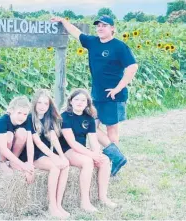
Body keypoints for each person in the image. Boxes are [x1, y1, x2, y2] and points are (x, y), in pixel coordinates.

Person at [50, 15, 137, 175]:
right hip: (96, 95)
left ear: (112, 29)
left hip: (113, 96)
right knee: (91, 125)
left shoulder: (119, 47)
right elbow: (76, 33)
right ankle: (105, 157)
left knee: (111, 130)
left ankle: (113, 162)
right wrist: (63, 21)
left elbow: (132, 67)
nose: (100, 28)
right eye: (98, 25)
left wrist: (117, 89)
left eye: (105, 25)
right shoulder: (93, 42)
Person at [59, 89, 116, 212]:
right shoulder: (65, 117)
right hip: (66, 150)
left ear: (87, 103)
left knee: (105, 160)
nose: (80, 102)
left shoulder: (89, 118)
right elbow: (72, 143)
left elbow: (93, 139)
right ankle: (85, 202)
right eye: (77, 99)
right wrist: (91, 155)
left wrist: (97, 153)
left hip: (82, 149)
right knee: (87, 162)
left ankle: (103, 197)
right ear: (71, 101)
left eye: (83, 100)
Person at [18, 89, 70, 218]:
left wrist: (62, 156)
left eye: (45, 103)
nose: (42, 106)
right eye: (39, 103)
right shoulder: (30, 118)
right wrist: (53, 157)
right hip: (33, 154)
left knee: (66, 164)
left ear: (49, 105)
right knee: (54, 167)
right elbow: (38, 143)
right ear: (34, 104)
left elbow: (54, 139)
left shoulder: (48, 117)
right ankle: (51, 206)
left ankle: (58, 204)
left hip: (45, 153)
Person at [0, 96, 35, 182]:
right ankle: (2, 162)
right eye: (19, 113)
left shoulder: (26, 121)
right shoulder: (2, 122)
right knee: (9, 135)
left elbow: (30, 143)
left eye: (25, 114)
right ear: (11, 110)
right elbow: (3, 148)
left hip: (12, 151)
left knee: (22, 132)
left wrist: (30, 164)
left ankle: (13, 161)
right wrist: (23, 165)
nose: (22, 117)